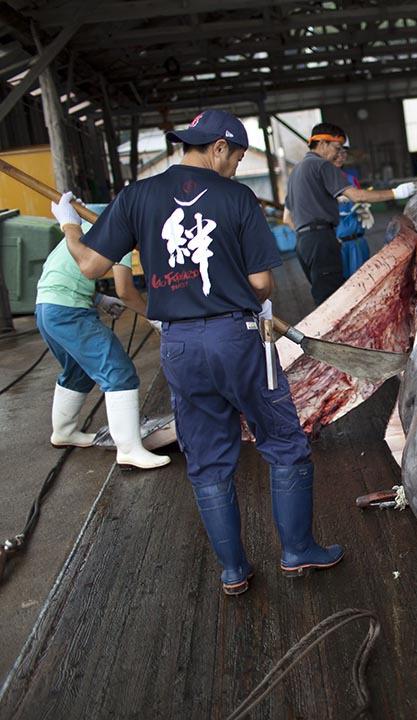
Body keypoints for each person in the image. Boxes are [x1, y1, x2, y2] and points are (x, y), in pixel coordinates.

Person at [53, 108, 344, 596]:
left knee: (208, 460)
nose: (235, 166)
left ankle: (233, 571)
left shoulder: (136, 197)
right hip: (239, 337)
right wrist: (244, 302)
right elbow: (260, 282)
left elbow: (89, 266)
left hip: (179, 345)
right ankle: (297, 551)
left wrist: (68, 224)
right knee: (284, 443)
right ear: (219, 147)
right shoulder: (236, 198)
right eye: (237, 156)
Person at [35, 239, 170, 469]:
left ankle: (64, 432)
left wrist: (99, 299)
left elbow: (68, 268)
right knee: (118, 371)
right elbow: (125, 290)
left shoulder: (91, 219)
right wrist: (156, 318)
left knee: (78, 371)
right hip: (69, 310)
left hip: (47, 306)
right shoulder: (124, 230)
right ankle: (129, 450)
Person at [284, 122, 417, 305]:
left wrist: (310, 234)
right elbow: (357, 195)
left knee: (323, 295)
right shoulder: (322, 165)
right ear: (322, 143)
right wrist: (396, 192)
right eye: (336, 148)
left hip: (303, 243)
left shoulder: (296, 171)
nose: (338, 154)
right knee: (332, 301)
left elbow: (287, 218)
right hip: (321, 240)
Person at [331, 144, 373, 276]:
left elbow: (361, 199)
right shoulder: (320, 181)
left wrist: (363, 210)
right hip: (338, 244)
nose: (340, 156)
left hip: (357, 241)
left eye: (343, 153)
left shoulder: (351, 179)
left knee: (363, 279)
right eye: (337, 152)